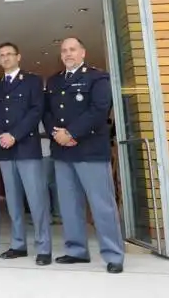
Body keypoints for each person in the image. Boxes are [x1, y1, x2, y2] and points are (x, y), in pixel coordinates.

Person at [44, 37, 124, 274]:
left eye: (72, 49)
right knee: (69, 205)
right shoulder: (55, 80)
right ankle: (77, 250)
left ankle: (113, 254)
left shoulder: (98, 77)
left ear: (83, 53)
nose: (68, 54)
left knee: (102, 205)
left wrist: (71, 133)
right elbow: (47, 112)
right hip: (62, 151)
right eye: (64, 51)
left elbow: (99, 110)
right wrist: (56, 134)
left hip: (89, 150)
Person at [0, 42, 51, 266]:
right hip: (4, 150)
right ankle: (18, 245)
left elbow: (36, 112)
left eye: (9, 54)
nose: (5, 58)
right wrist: (1, 136)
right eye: (1, 55)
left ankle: (43, 247)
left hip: (26, 148)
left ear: (18, 57)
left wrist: (14, 135)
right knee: (13, 201)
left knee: (36, 200)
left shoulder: (32, 82)